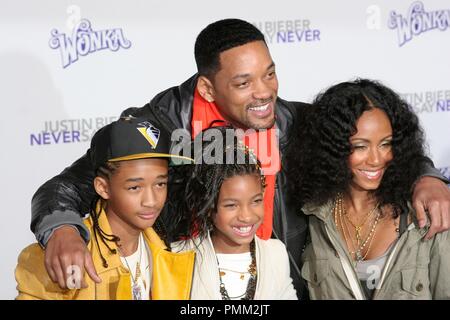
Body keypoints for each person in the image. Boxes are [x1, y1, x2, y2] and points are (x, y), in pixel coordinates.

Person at [30, 19, 450, 299]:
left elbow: (371, 141)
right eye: (244, 82)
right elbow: (68, 186)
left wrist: (426, 177)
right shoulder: (161, 127)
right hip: (192, 286)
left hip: (274, 283)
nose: (265, 91)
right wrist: (62, 230)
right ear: (209, 89)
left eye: (269, 73)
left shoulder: (292, 121)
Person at [288, 79, 450, 299]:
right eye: (360, 146)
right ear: (333, 148)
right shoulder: (314, 215)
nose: (376, 159)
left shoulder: (427, 214)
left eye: (386, 144)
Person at [16, 116, 195, 299]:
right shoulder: (62, 257)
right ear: (103, 187)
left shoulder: (172, 251)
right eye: (134, 187)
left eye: (160, 184)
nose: (151, 201)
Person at [171, 126, 297, 299]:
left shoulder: (276, 254)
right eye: (231, 205)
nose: (246, 216)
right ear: (207, 206)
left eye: (256, 201)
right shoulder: (178, 257)